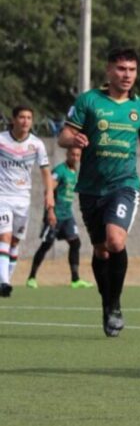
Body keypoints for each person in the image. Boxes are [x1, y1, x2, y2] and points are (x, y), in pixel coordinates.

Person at [58, 47, 140, 337]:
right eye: (121, 69)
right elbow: (63, 135)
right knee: (100, 250)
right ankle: (107, 304)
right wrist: (74, 140)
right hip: (90, 189)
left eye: (132, 69)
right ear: (108, 70)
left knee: (115, 241)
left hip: (124, 185)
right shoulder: (89, 101)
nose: (127, 75)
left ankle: (115, 305)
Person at [0, 105, 55, 297]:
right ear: (13, 119)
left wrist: (49, 194)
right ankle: (4, 282)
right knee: (4, 237)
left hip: (23, 200)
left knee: (15, 242)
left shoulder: (37, 144)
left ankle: (5, 282)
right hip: (2, 197)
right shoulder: (1, 140)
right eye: (22, 117)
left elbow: (45, 171)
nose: (25, 121)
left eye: (29, 118)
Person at [26, 147, 94, 289]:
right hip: (55, 214)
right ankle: (31, 278)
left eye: (78, 155)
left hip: (67, 215)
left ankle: (75, 279)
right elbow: (48, 190)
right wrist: (50, 211)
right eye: (72, 154)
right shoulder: (59, 171)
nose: (75, 157)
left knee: (75, 243)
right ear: (67, 154)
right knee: (46, 245)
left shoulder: (74, 172)